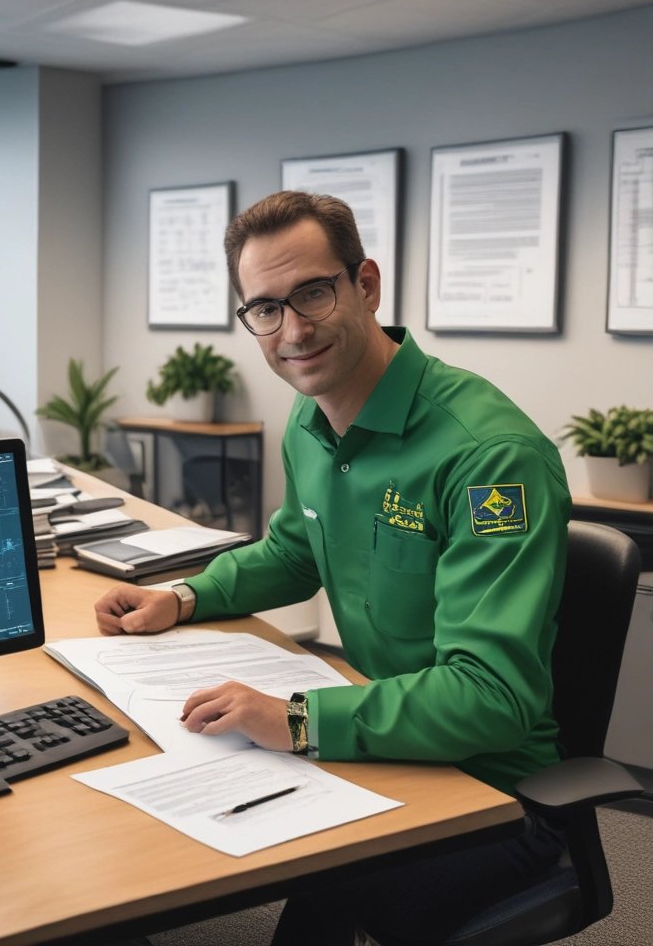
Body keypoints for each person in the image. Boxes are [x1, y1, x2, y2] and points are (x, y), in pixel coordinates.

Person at [93, 191, 572, 944]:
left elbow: (491, 698)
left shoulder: (488, 458)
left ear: (366, 285)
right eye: (265, 309)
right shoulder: (313, 422)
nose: (294, 329)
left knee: (297, 869)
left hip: (490, 795)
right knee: (137, 831)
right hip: (384, 749)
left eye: (313, 292)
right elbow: (293, 550)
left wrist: (295, 719)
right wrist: (183, 597)